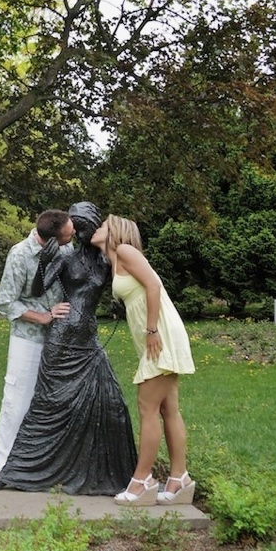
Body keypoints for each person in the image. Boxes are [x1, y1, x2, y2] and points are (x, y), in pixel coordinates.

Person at [0, 202, 137, 495]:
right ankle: (10, 469)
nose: (77, 236)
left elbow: (131, 276)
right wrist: (45, 267)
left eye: (80, 228)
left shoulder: (100, 259)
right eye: (72, 231)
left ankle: (102, 469)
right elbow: (27, 294)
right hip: (49, 336)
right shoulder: (48, 256)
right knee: (37, 402)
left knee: (110, 401)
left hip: (87, 340)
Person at [91, 214, 196, 506]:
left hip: (159, 335)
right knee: (168, 409)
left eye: (102, 225)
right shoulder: (115, 260)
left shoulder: (125, 251)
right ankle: (179, 480)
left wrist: (151, 330)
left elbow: (154, 285)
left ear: (115, 231)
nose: (97, 228)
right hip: (157, 337)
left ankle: (143, 481)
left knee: (147, 407)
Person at [0, 209, 74, 492]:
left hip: (61, 339)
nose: (73, 238)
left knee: (56, 401)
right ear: (50, 240)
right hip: (28, 339)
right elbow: (6, 303)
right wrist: (44, 316)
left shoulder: (66, 248)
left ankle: (50, 465)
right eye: (69, 234)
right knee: (17, 400)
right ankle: (1, 467)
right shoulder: (19, 255)